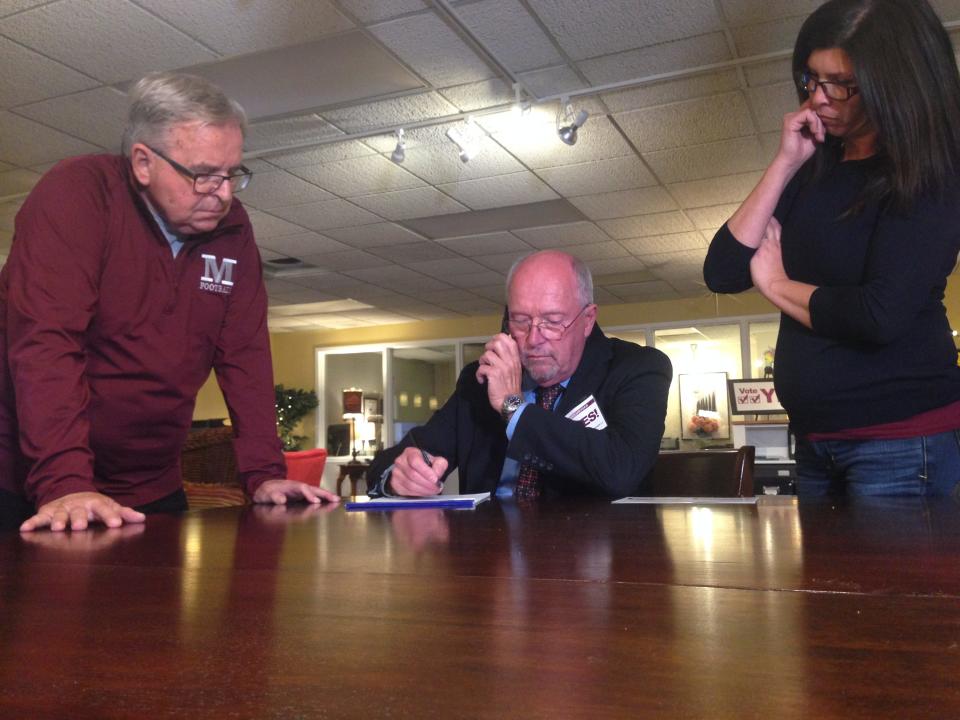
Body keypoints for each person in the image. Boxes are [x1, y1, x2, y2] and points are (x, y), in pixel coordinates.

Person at [0, 71, 339, 532]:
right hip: (30, 480)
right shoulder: (76, 195)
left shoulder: (232, 230)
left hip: (151, 484)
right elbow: (47, 344)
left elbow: (245, 353)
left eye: (231, 174)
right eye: (202, 175)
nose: (221, 194)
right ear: (143, 162)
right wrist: (64, 482)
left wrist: (263, 474)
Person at [703, 0, 960, 496]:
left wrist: (777, 284)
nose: (819, 99)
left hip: (902, 441)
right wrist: (785, 163)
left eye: (841, 84)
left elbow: (878, 313)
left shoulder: (934, 170)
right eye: (810, 80)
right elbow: (724, 271)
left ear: (897, 83)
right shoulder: (818, 162)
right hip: (817, 441)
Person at [367, 250, 672, 499]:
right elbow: (391, 461)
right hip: (489, 559)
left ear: (588, 319)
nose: (533, 339)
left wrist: (513, 408)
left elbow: (620, 470)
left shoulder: (638, 368)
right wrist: (399, 476)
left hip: (595, 561)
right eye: (521, 321)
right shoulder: (481, 379)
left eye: (552, 322)